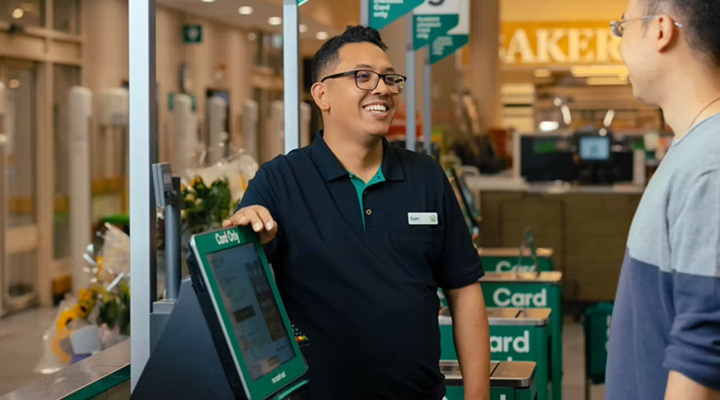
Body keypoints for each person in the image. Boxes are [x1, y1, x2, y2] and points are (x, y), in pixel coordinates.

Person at [222, 26, 490, 399]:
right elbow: (243, 278)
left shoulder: (426, 176)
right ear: (322, 94)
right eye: (362, 76)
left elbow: (464, 291)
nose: (382, 88)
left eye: (389, 78)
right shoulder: (280, 180)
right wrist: (250, 230)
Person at [606, 0, 720, 399]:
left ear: (660, 30)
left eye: (622, 28)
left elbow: (704, 354)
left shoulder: (711, 164)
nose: (618, 45)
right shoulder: (692, 149)